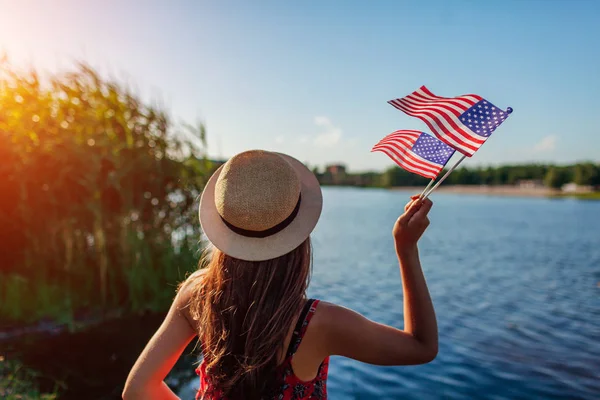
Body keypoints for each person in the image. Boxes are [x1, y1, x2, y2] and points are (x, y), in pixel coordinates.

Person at [123, 150, 437, 400]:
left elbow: (138, 389)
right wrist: (406, 249)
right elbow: (421, 347)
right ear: (299, 236)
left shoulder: (197, 293)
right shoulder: (317, 323)